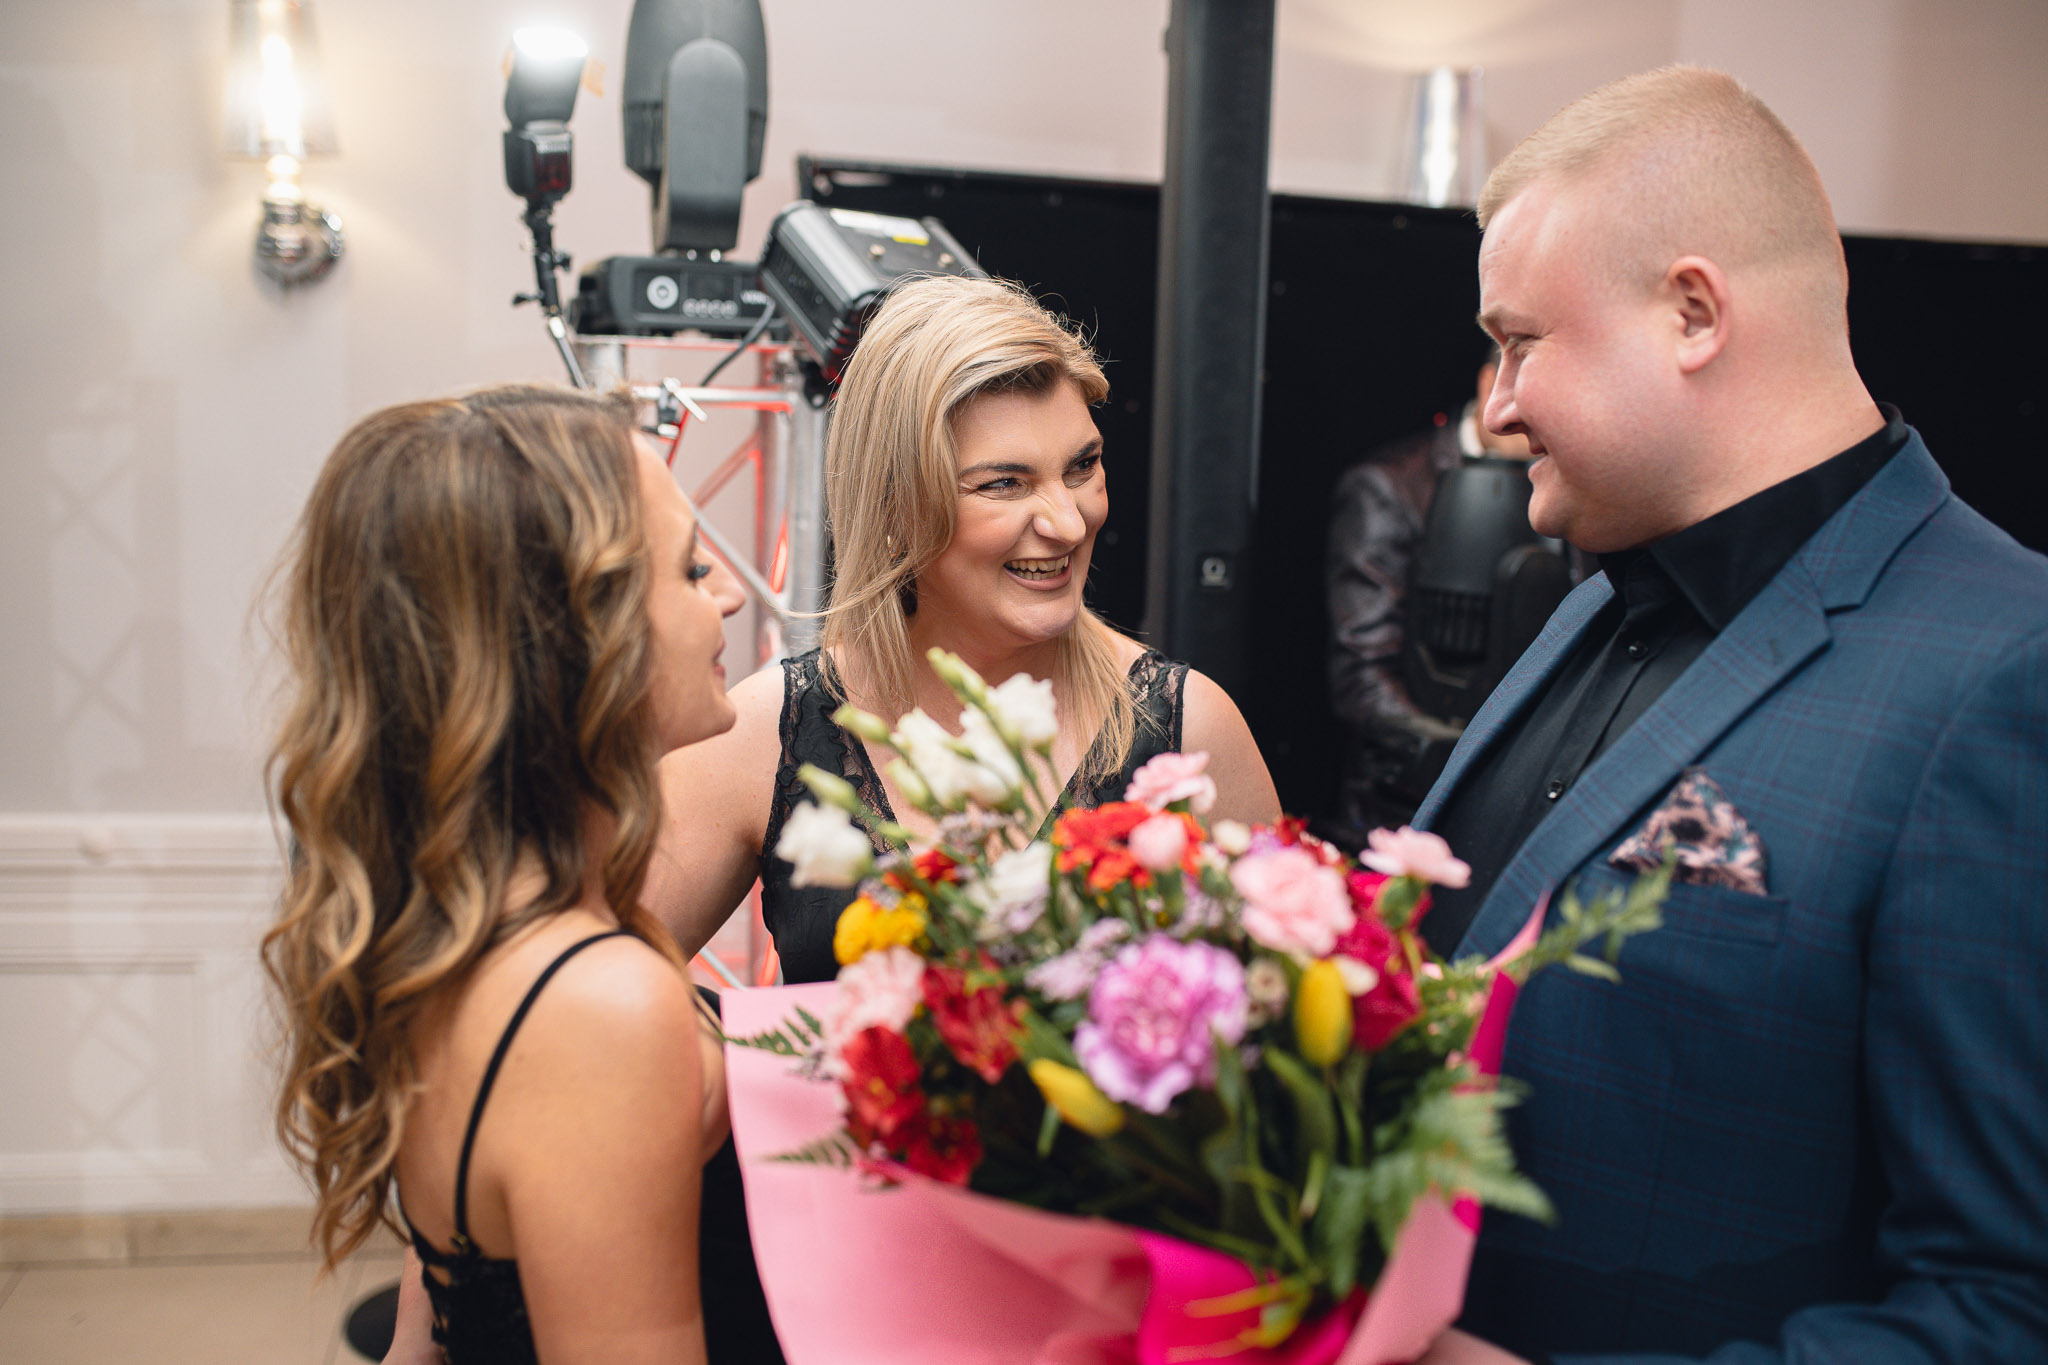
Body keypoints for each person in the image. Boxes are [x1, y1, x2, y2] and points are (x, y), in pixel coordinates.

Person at [1408, 66, 2048, 1364]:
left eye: (1520, 341)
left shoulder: (2006, 671)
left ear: (1693, 314)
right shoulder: (1588, 602)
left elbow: (2003, 1309)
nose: (1497, 405)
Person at [264, 385, 746, 1364]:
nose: (731, 593)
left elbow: (434, 1320)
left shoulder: (464, 921)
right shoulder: (595, 1002)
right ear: (580, 637)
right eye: (692, 568)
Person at [648, 275, 1280, 978]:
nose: (1069, 523)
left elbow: (1289, 1012)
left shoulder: (1191, 728)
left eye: (1082, 467)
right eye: (1004, 483)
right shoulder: (763, 732)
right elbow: (589, 991)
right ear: (894, 508)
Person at [1326, 353, 1539, 837]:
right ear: (1491, 385)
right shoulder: (1392, 485)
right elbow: (1362, 672)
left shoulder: (1556, 478)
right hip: (1406, 807)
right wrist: (1465, 757)